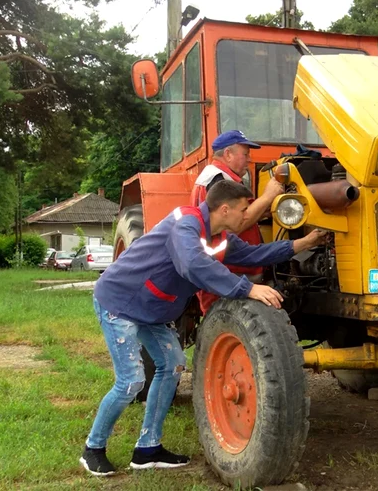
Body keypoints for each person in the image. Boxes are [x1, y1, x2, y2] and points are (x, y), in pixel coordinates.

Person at [80, 180, 326, 477]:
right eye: (244, 210)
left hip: (151, 310)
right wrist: (246, 288)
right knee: (131, 381)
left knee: (172, 366)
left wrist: (304, 243)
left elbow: (253, 255)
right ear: (225, 209)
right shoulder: (185, 225)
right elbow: (193, 265)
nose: (246, 216)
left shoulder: (219, 236)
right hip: (120, 302)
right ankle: (92, 449)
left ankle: (147, 450)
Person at [194, 130, 285, 312]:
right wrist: (267, 197)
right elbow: (237, 223)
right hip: (230, 271)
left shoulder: (219, 177)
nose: (249, 160)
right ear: (228, 154)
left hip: (231, 270)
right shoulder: (218, 180)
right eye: (245, 154)